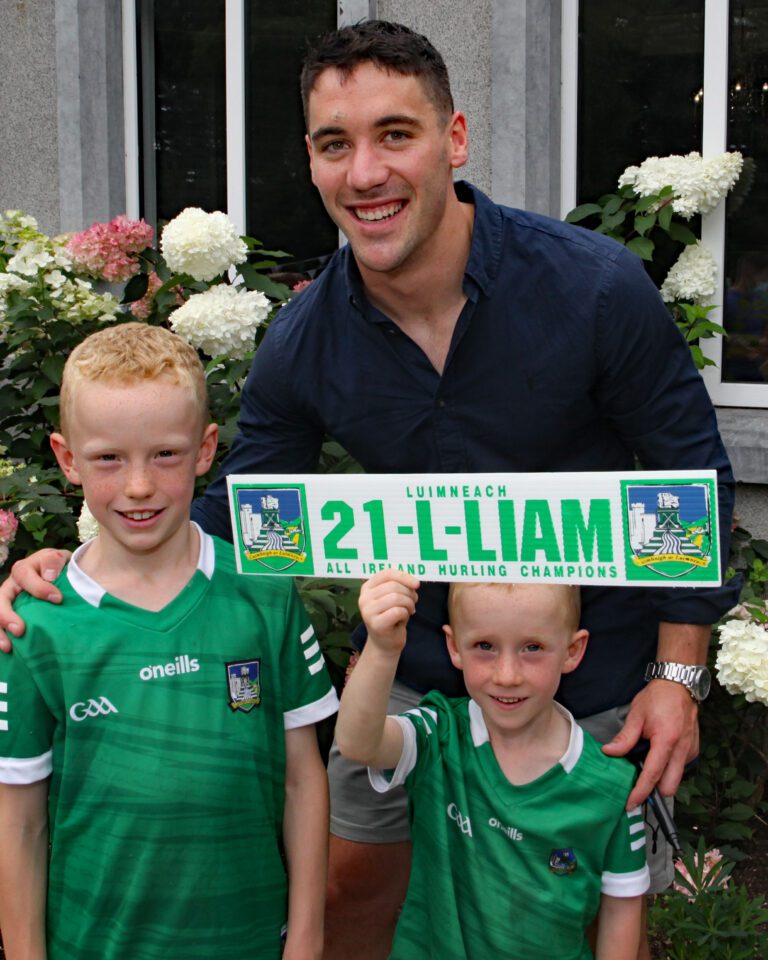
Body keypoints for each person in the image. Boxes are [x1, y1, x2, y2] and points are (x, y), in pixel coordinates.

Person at [0, 20, 739, 960]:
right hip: (415, 680)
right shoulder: (305, 337)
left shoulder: (594, 288)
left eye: (396, 134)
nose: (365, 174)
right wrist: (69, 563)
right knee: (352, 897)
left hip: (581, 678)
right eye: (334, 144)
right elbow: (230, 508)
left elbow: (692, 479)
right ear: (310, 161)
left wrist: (678, 679)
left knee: (581, 925)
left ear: (455, 140)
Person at [0, 323, 338, 960]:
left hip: (250, 940)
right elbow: (19, 822)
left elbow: (303, 781)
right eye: (108, 458)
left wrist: (309, 939)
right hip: (94, 942)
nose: (138, 486)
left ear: (206, 449)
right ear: (66, 458)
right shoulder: (36, 624)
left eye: (165, 454)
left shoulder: (263, 591)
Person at [336, 571, 650, 960]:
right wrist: (383, 647)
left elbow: (621, 914)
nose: (507, 675)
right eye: (484, 645)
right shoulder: (440, 735)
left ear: (573, 650)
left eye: (532, 647)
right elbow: (358, 744)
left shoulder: (614, 786)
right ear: (454, 647)